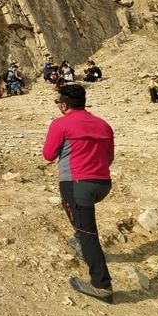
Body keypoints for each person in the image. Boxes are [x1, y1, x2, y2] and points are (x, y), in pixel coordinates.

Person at [42, 84, 114, 304]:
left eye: (58, 103)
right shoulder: (104, 125)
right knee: (83, 225)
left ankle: (102, 286)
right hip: (102, 184)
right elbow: (109, 157)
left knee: (87, 232)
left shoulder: (61, 124)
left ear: (64, 105)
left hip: (76, 184)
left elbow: (48, 155)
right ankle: (83, 245)